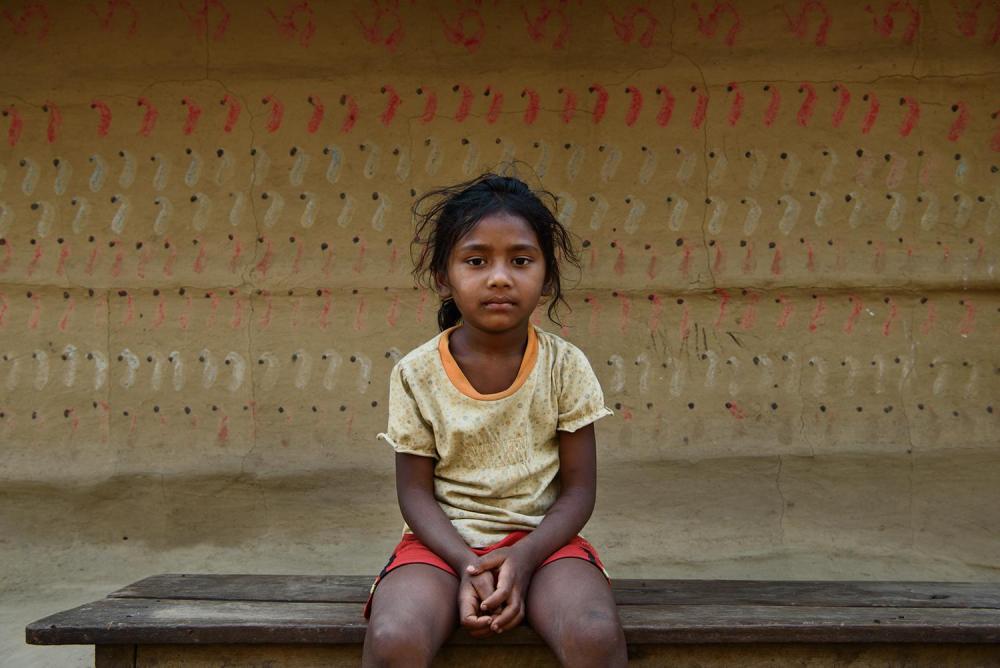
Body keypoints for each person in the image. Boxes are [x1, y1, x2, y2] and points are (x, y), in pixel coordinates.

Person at [362, 173, 627, 667]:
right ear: (444, 275)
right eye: (476, 260)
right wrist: (468, 563)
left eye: (521, 260)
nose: (500, 277)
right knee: (395, 636)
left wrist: (523, 559)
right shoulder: (416, 373)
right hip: (440, 546)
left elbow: (579, 491)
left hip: (545, 545)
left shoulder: (565, 366)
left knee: (593, 634)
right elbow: (414, 493)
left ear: (547, 275)